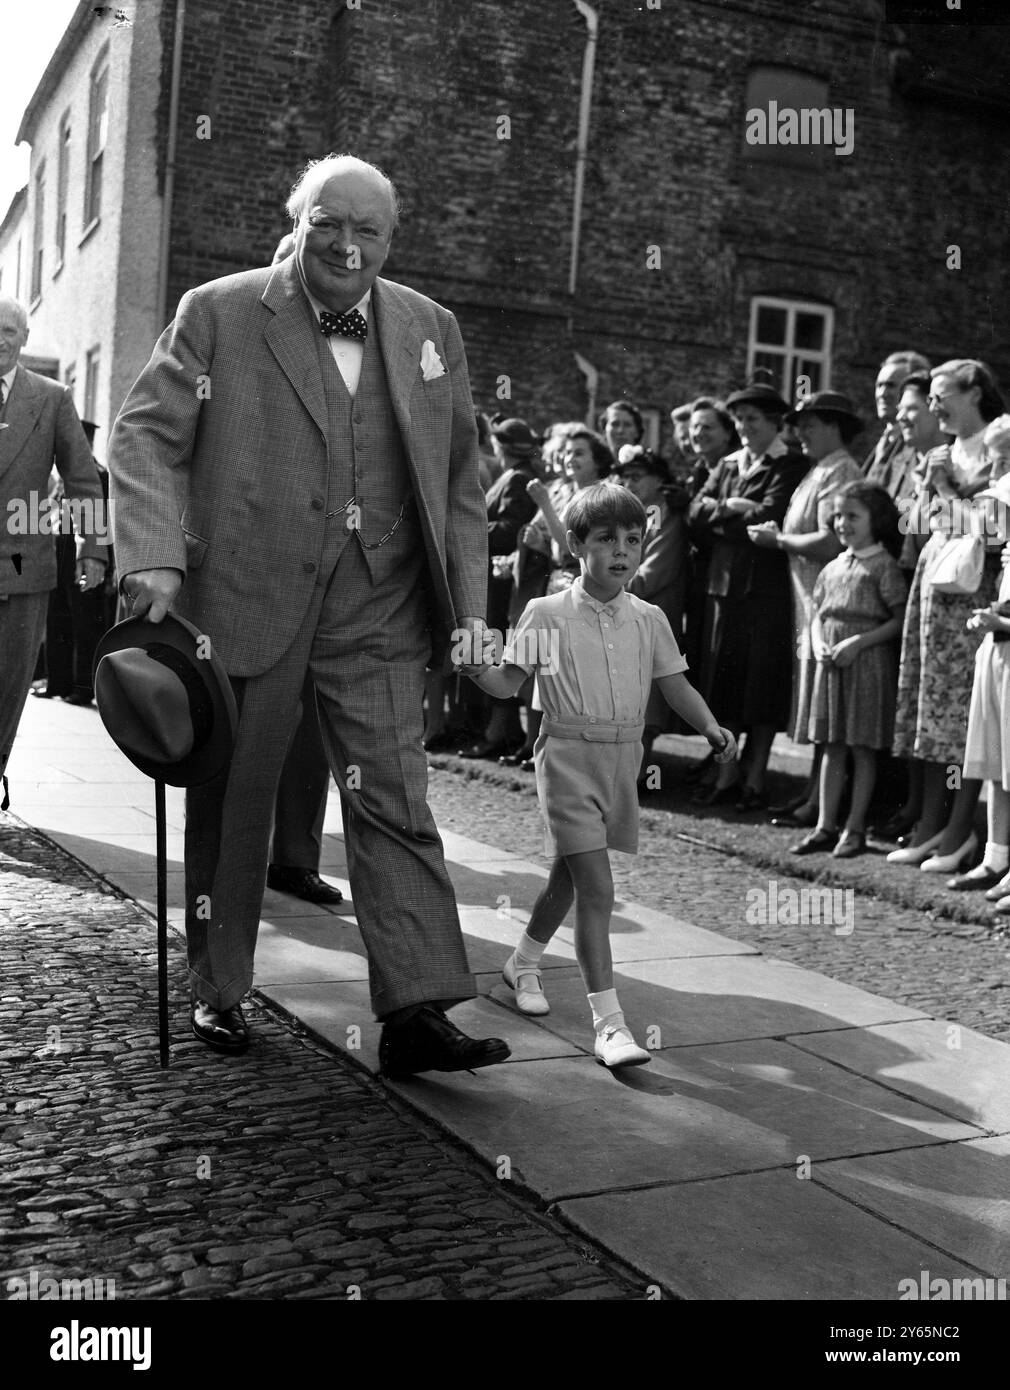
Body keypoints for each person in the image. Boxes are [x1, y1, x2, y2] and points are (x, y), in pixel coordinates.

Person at [108, 153, 510, 1075]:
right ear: (297, 221)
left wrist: (471, 612)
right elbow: (146, 435)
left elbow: (459, 484)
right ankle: (218, 987)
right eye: (329, 221)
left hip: (379, 605)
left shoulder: (428, 327)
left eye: (368, 230)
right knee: (234, 802)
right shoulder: (220, 309)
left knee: (395, 801)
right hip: (245, 595)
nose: (346, 243)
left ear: (390, 241)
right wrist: (156, 560)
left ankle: (415, 1008)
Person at [462, 483, 736, 1066]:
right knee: (598, 888)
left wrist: (711, 728)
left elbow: (675, 684)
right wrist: (473, 665)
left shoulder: (650, 618)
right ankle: (609, 1026)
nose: (622, 551)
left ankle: (522, 965)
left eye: (633, 540)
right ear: (577, 544)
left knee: (568, 876)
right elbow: (508, 682)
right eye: (607, 539)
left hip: (623, 760)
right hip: (565, 755)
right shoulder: (546, 612)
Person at [889, 358, 1005, 873]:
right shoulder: (940, 453)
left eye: (942, 395)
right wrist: (938, 502)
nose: (934, 405)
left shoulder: (1000, 446)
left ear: (974, 392)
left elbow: (996, 525)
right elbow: (913, 521)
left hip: (973, 589)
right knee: (930, 708)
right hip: (933, 583)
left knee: (963, 712)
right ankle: (932, 825)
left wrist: (944, 496)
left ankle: (961, 829)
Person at [0, 296, 108, 808]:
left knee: (8, 688)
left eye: (9, 331)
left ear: (24, 338)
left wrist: (91, 549)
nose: (0, 340)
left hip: (22, 570)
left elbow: (83, 478)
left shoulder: (50, 398)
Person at [687, 383, 806, 810]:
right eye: (738, 419)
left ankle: (755, 777)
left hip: (765, 594)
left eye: (752, 419)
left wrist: (730, 514)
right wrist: (730, 510)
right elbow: (694, 513)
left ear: (775, 423)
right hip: (722, 589)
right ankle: (726, 772)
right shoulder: (729, 464)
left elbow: (769, 515)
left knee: (760, 687)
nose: (743, 427)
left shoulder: (790, 464)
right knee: (721, 683)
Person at [748, 391, 863, 828]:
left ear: (834, 426)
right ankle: (812, 794)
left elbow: (831, 539)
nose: (801, 434)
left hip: (825, 599)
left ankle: (819, 802)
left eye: (810, 426)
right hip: (807, 598)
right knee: (815, 700)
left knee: (824, 702)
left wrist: (777, 541)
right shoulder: (820, 469)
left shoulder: (841, 471)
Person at [788, 482, 907, 858]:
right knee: (832, 746)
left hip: (866, 664)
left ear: (876, 519)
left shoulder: (883, 565)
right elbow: (819, 614)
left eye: (852, 516)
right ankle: (825, 824)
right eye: (838, 515)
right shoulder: (834, 565)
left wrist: (857, 643)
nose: (843, 523)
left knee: (862, 747)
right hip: (832, 665)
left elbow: (899, 618)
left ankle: (854, 828)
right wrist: (820, 640)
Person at [456, 414, 542, 760]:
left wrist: (470, 526)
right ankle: (502, 730)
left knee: (496, 650)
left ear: (500, 445)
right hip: (499, 575)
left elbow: (510, 528)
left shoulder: (518, 478)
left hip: (504, 577)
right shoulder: (516, 475)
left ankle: (498, 731)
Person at [951, 417, 1010, 905]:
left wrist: (1003, 624)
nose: (995, 470)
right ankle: (995, 855)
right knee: (995, 758)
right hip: (999, 651)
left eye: (1005, 458)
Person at [32, 419, 116, 706]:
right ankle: (58, 683)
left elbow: (105, 521)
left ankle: (83, 687)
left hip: (84, 556)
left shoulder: (99, 475)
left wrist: (108, 565)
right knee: (57, 619)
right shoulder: (65, 475)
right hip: (60, 553)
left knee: (85, 622)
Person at [862, 350, 931, 495]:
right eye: (879, 385)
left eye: (891, 385)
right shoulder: (884, 441)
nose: (882, 393)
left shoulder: (919, 443)